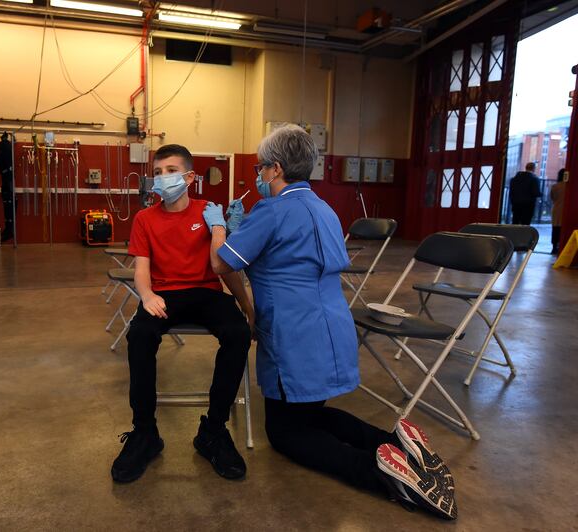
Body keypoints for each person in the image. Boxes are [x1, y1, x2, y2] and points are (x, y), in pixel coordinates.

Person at [204, 125, 457, 520]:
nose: (258, 175)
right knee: (311, 414)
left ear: (274, 169)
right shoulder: (324, 208)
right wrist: (243, 230)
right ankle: (396, 444)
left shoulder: (270, 210)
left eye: (260, 168)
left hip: (294, 332)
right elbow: (285, 250)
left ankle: (385, 477)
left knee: (286, 434)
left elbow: (222, 262)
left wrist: (219, 226)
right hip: (332, 325)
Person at [111, 144, 254, 484]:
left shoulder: (209, 213)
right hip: (164, 294)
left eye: (171, 171)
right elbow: (141, 268)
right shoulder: (145, 219)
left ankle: (213, 431)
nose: (163, 179)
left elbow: (226, 268)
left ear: (189, 177)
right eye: (157, 173)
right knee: (140, 335)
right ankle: (145, 433)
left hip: (206, 293)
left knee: (237, 333)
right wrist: (146, 295)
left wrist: (248, 308)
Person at [0, 132, 15, 242]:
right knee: (7, 203)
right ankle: (8, 229)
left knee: (8, 203)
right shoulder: (6, 146)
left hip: (7, 180)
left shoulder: (4, 146)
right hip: (7, 179)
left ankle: (9, 230)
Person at [550, 168, 566, 255]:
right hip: (565, 210)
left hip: (556, 209)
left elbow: (552, 197)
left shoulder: (555, 186)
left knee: (555, 229)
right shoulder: (569, 186)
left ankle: (554, 247)